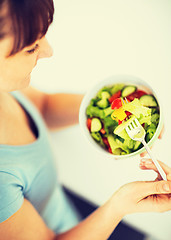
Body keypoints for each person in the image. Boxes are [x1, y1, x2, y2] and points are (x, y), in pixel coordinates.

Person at [0, 0, 171, 239]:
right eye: (31, 48)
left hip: (71, 211)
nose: (49, 51)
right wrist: (120, 205)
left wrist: (115, 106)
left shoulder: (6, 86)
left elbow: (41, 106)